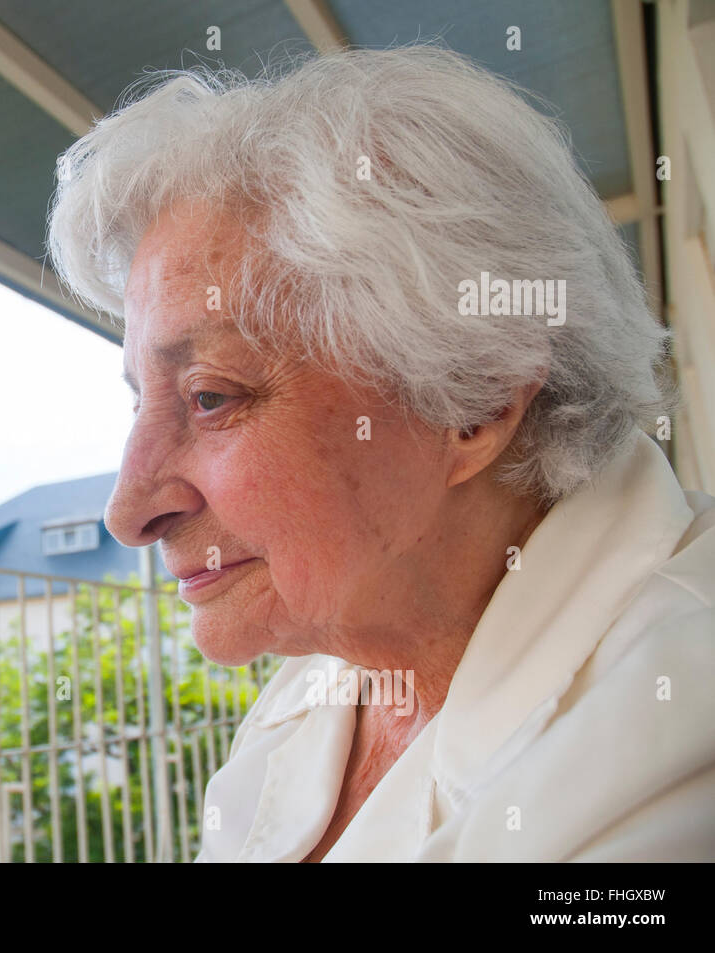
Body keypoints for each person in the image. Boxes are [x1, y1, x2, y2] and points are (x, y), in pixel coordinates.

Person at [46, 45, 715, 861]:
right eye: (137, 398)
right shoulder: (334, 664)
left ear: (473, 399)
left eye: (210, 396)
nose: (128, 511)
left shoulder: (677, 733)